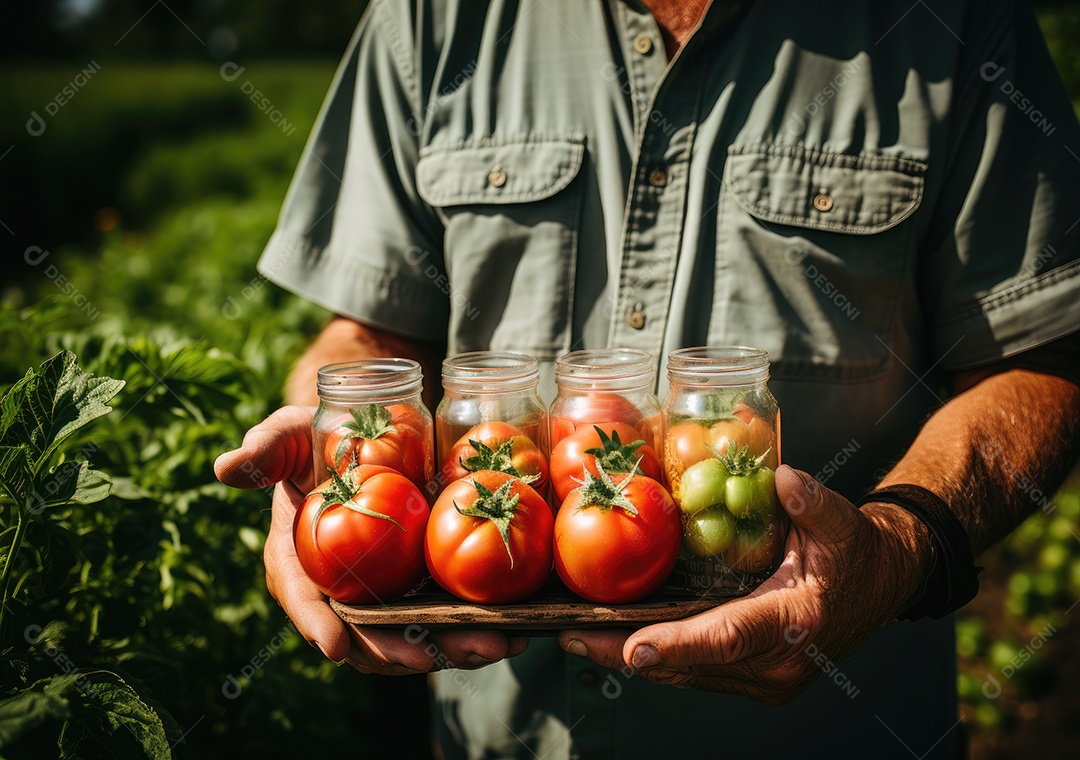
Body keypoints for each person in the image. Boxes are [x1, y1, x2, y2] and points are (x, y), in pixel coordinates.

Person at [215, 0, 1080, 757]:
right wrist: (329, 460)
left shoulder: (950, 18)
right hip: (496, 737)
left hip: (833, 726)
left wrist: (898, 549)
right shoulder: (431, 15)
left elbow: (1040, 357)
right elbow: (368, 336)